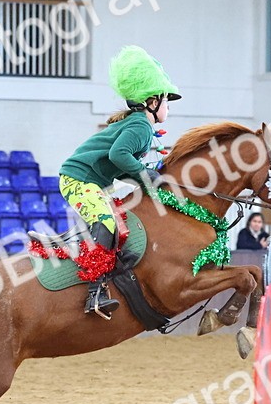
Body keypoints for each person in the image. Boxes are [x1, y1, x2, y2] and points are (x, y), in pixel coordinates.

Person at [56, 45, 181, 318]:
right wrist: (145, 175)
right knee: (107, 222)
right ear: (152, 102)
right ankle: (95, 293)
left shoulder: (139, 124)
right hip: (79, 179)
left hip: (92, 181)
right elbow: (119, 155)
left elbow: (120, 164)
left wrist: (144, 179)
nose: (169, 108)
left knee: (121, 221)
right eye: (167, 102)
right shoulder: (141, 126)